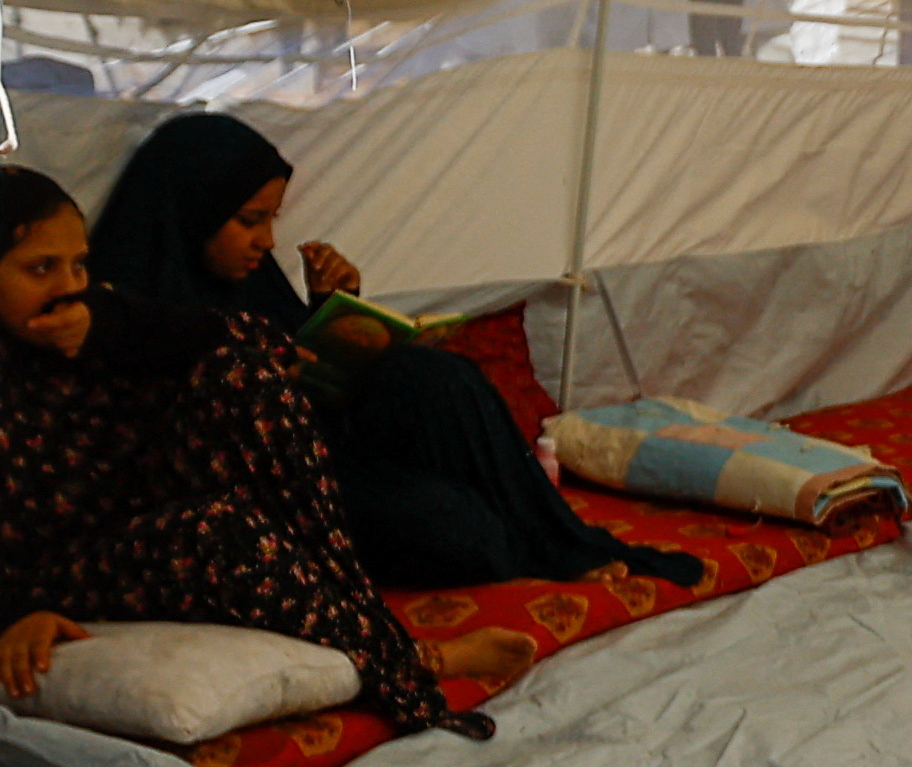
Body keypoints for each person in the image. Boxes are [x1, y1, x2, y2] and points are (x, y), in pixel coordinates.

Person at [0, 166, 527, 729]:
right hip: (52, 568)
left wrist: (106, 327)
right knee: (220, 531)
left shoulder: (92, 316)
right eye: (39, 268)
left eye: (77, 263)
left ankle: (369, 622)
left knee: (244, 378)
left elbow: (248, 340)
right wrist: (16, 613)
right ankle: (410, 661)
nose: (66, 287)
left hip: (126, 506)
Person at [88, 114, 699, 592]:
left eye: (272, 219)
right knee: (461, 534)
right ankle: (522, 543)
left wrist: (334, 313)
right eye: (250, 221)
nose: (267, 241)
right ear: (194, 212)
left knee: (441, 379)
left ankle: (552, 543)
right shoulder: (124, 306)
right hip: (268, 494)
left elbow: (313, 374)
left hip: (333, 449)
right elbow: (166, 440)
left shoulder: (245, 280)